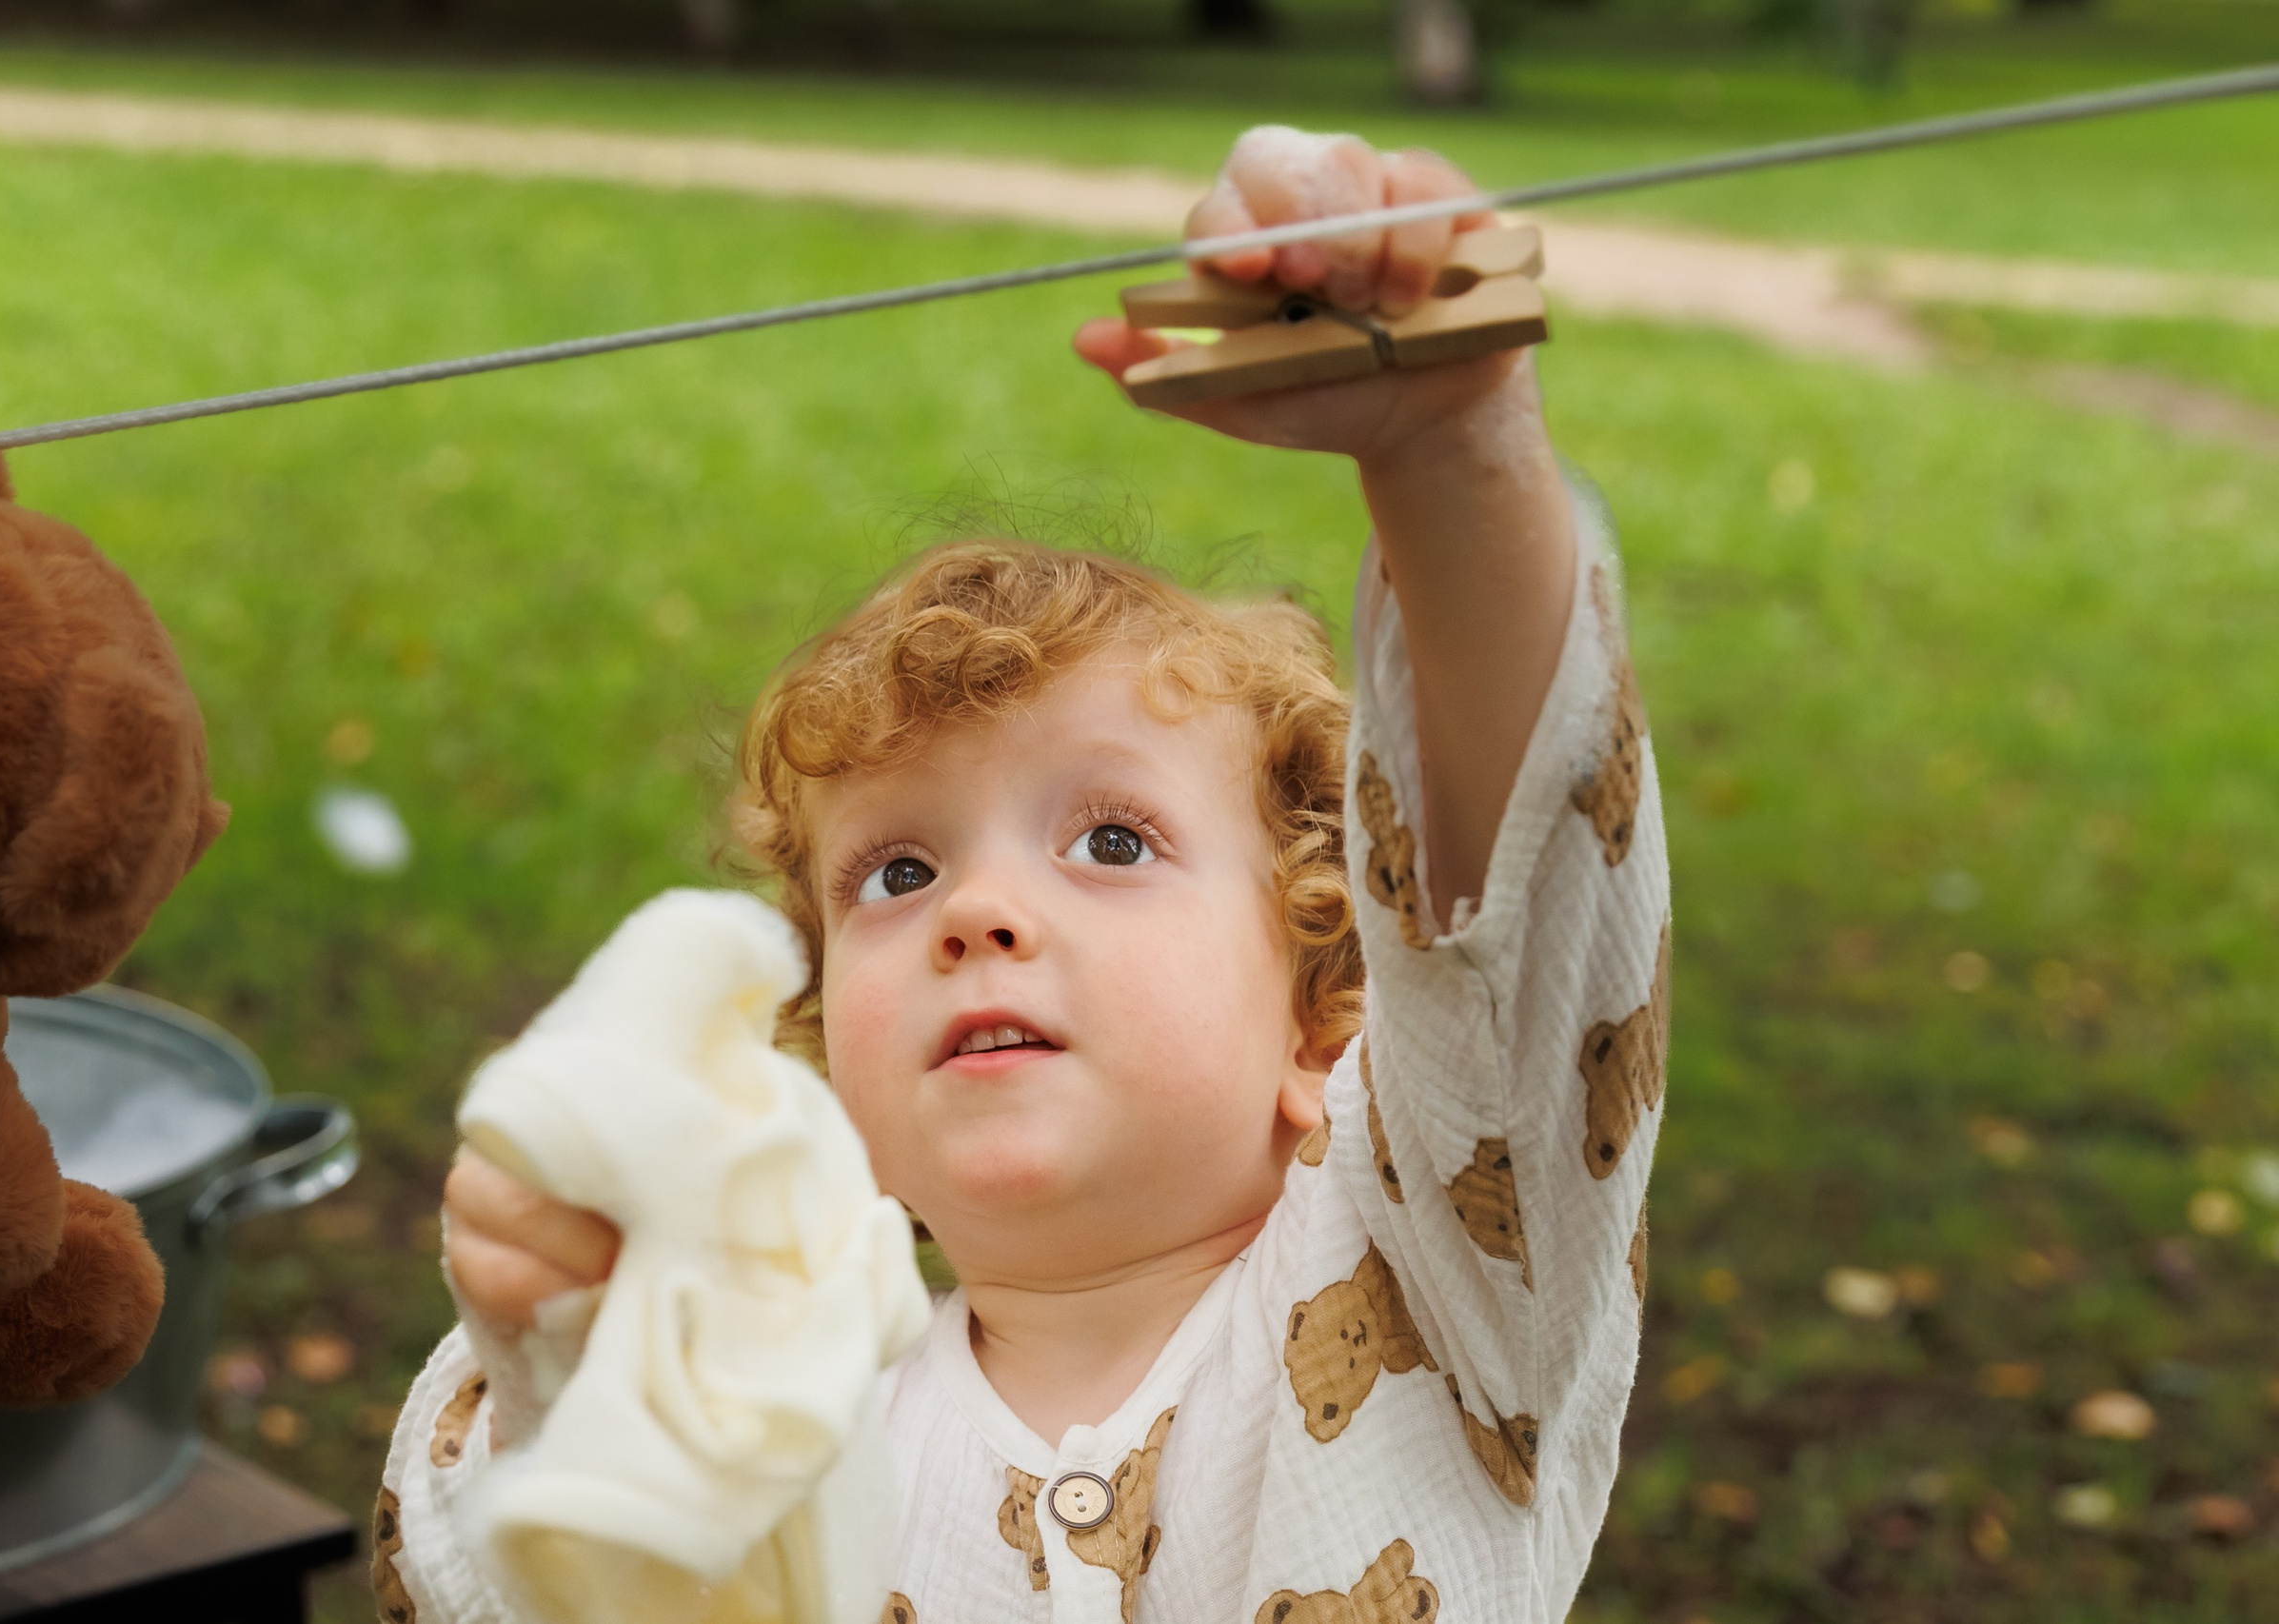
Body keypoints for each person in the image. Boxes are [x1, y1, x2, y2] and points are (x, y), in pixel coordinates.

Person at [380, 124, 1670, 1624]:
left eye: (1113, 841)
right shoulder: (793, 1412)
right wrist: (564, 1375)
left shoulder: (1441, 1299)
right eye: (896, 870)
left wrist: (1450, 447)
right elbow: (500, 1586)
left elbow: (1517, 927)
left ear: (1326, 1019)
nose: (978, 916)